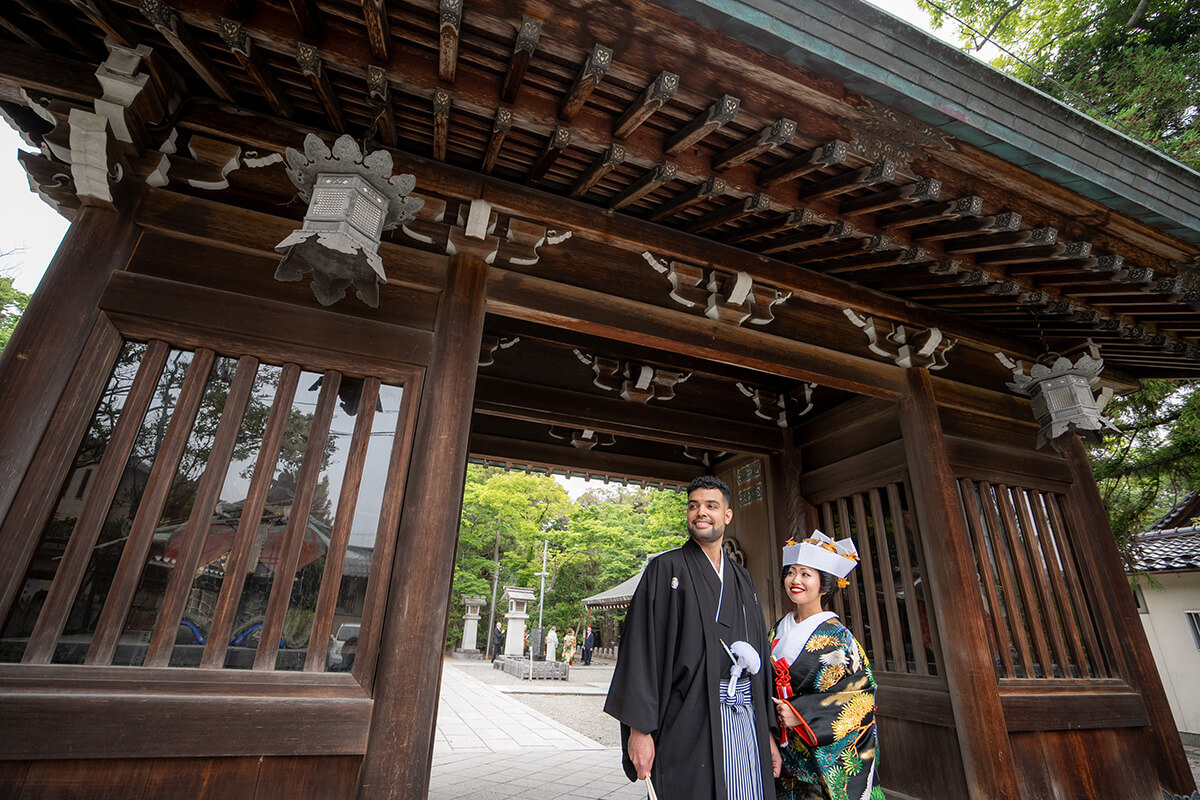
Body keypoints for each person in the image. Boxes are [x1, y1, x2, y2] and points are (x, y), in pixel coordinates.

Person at [605, 475, 780, 800]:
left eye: (711, 506)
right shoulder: (665, 569)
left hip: (744, 721)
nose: (701, 512)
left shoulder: (742, 578)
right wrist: (639, 731)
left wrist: (766, 732)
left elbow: (760, 653)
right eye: (694, 506)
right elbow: (640, 651)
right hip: (687, 720)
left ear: (727, 515)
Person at [770, 533, 881, 800]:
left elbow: (862, 697)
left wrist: (801, 714)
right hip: (784, 748)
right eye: (791, 572)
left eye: (806, 574)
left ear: (824, 585)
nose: (795, 580)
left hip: (820, 749)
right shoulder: (778, 629)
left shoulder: (839, 637)